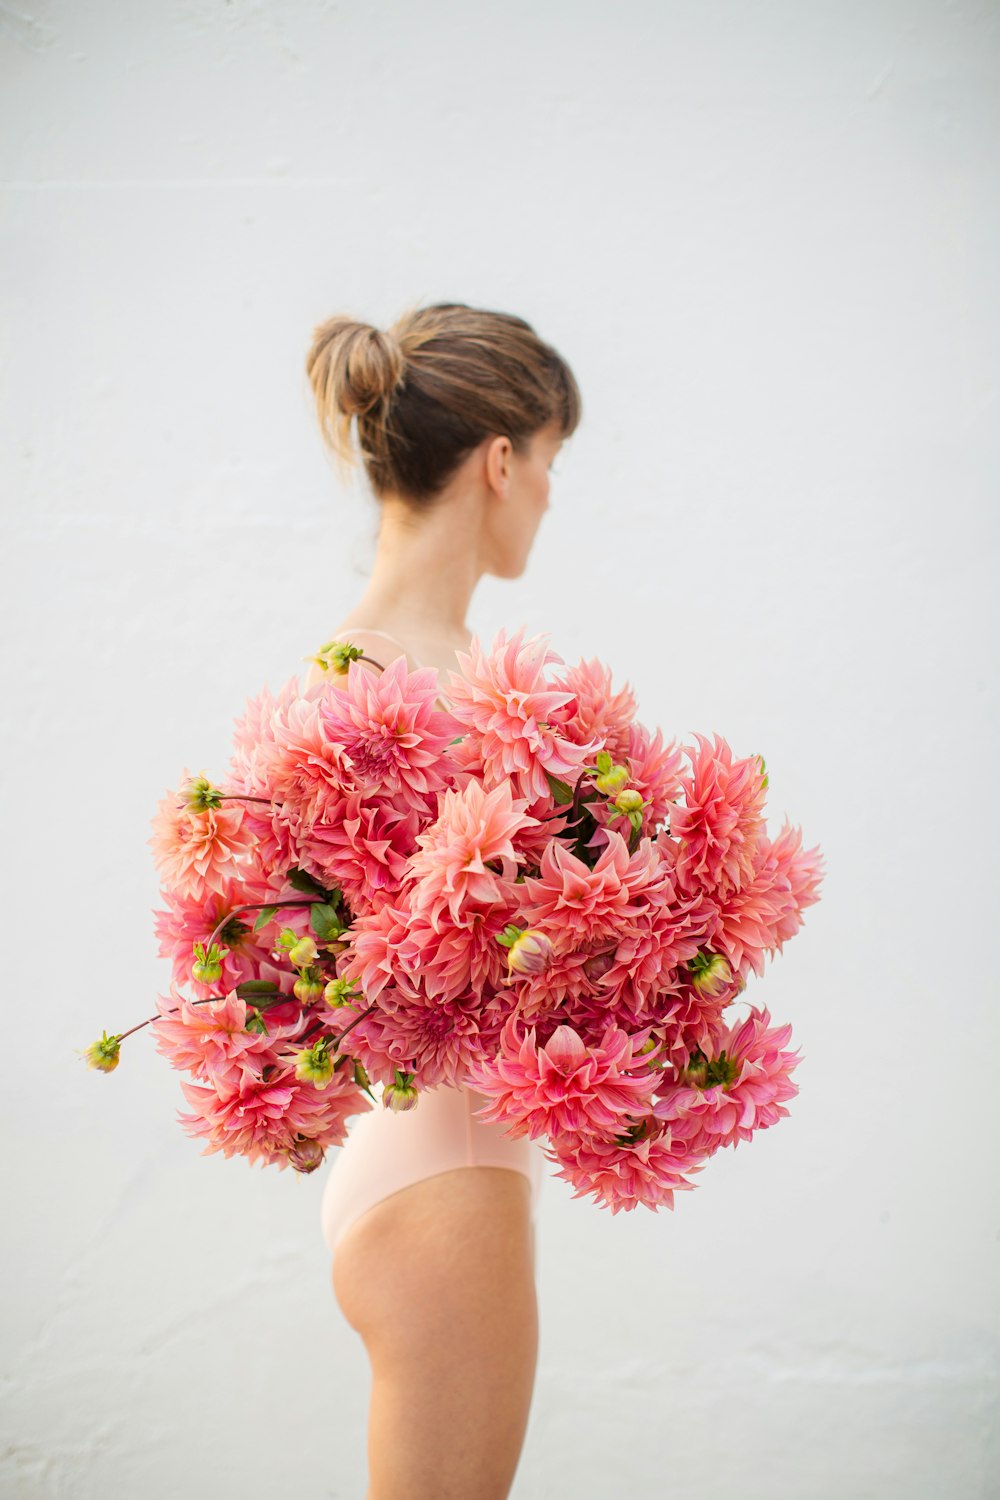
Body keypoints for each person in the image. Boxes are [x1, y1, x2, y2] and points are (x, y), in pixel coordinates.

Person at [300, 301, 582, 1500]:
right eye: (553, 465)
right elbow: (341, 973)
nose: (551, 500)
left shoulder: (442, 667)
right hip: (442, 1171)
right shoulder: (376, 678)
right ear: (500, 460)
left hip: (435, 1158)